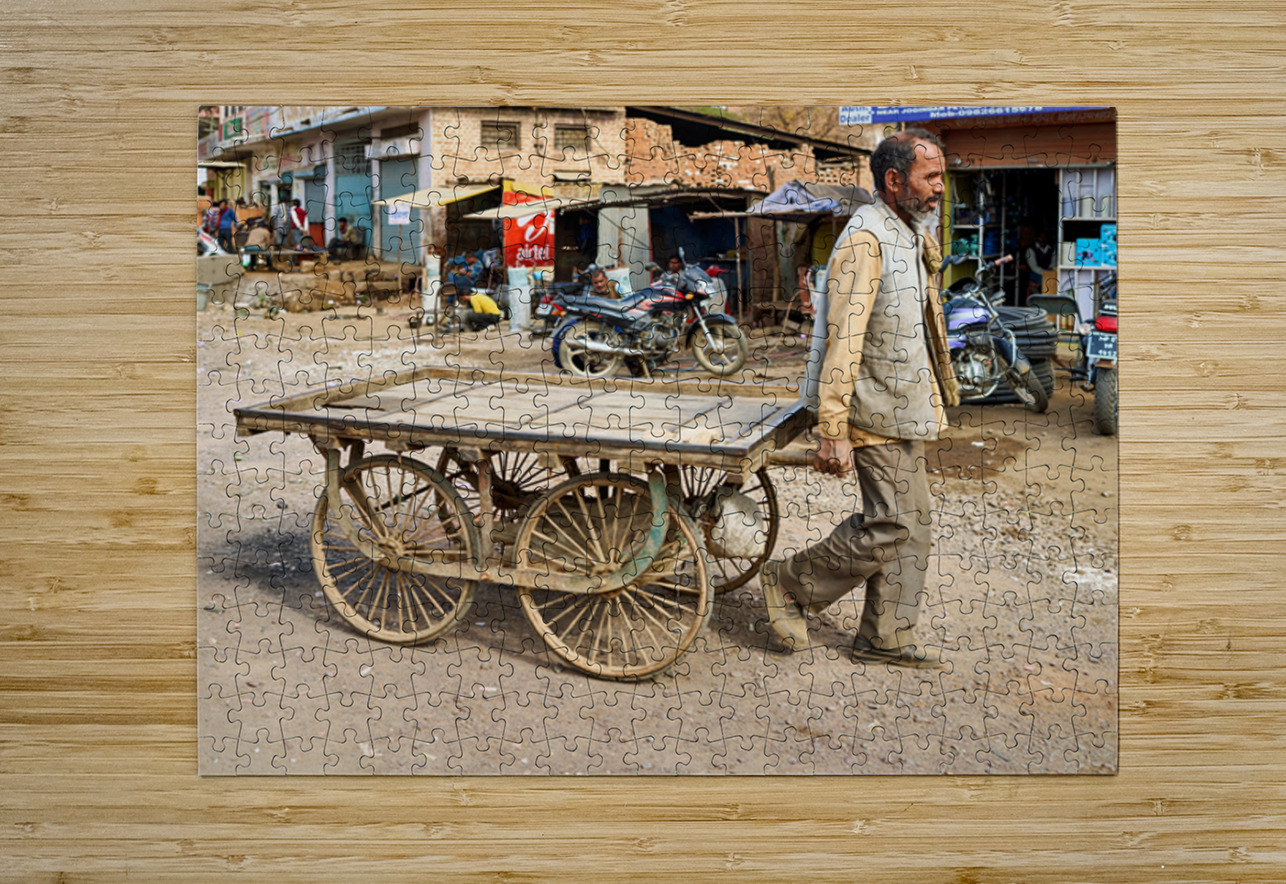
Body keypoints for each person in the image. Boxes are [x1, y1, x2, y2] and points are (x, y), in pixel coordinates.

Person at [760, 128, 959, 669]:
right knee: (893, 522)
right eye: (931, 177)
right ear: (894, 181)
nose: (941, 188)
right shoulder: (865, 239)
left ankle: (885, 636)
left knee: (913, 525)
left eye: (942, 176)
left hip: (905, 408)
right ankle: (791, 582)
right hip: (871, 408)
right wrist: (833, 428)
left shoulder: (907, 232)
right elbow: (842, 340)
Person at [1025, 231, 1056, 296]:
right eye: (1040, 237)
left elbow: (1053, 263)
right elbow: (1033, 267)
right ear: (1036, 238)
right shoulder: (1031, 249)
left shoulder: (1052, 249)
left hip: (1049, 274)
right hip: (1036, 275)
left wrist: (1048, 272)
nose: (1042, 239)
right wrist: (1045, 273)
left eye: (1044, 237)